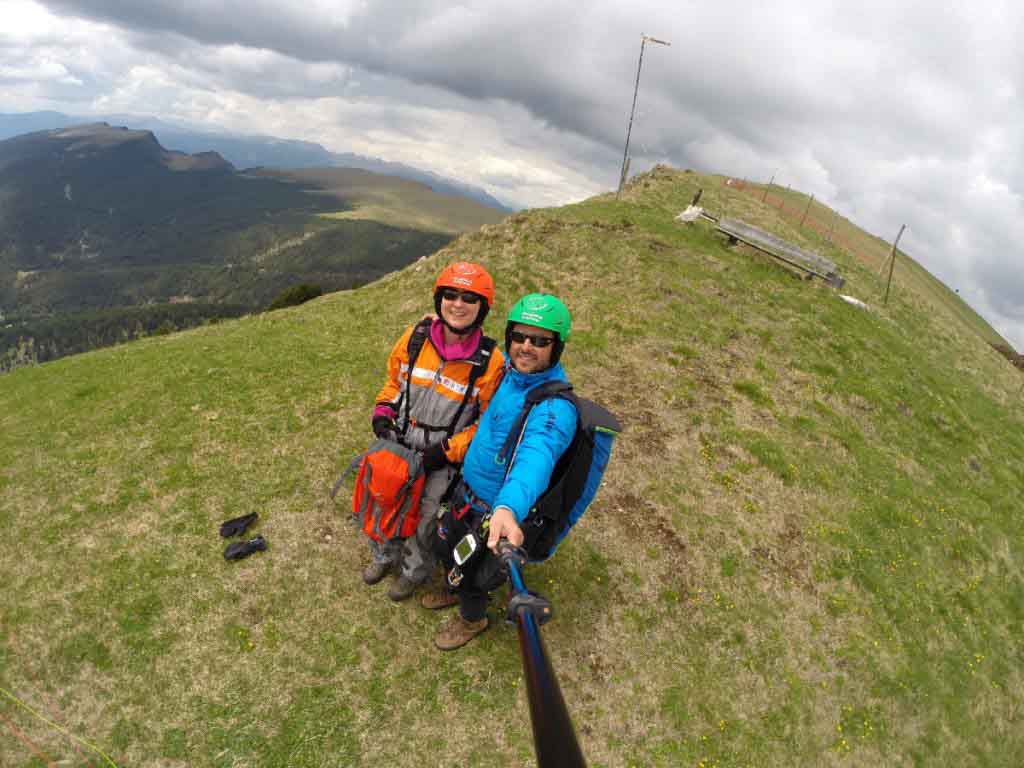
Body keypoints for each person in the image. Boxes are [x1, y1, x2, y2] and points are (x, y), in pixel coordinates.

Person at [424, 293, 577, 650]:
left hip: (492, 512)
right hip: (468, 492)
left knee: (478, 575)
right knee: (448, 544)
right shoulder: (510, 373)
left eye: (540, 341)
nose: (526, 347)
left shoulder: (555, 410)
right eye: (520, 337)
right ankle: (452, 582)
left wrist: (507, 509)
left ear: (557, 348)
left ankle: (472, 618)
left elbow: (535, 461)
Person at [364, 262, 505, 601]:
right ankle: (385, 554)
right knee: (384, 497)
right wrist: (383, 411)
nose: (458, 304)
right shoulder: (415, 337)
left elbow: (486, 423)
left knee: (425, 519)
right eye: (450, 295)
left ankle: (414, 571)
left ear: (482, 307)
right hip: (400, 439)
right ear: (439, 298)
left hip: (442, 454)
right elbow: (394, 380)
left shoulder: (490, 362)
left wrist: (445, 451)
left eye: (469, 298)